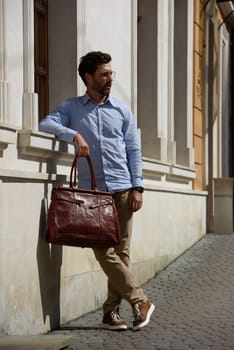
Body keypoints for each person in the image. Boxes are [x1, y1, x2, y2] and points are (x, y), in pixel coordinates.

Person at [39, 51, 155, 331]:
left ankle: (110, 314)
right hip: (92, 194)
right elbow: (46, 123)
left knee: (122, 252)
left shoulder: (121, 110)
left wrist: (138, 186)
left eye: (110, 73)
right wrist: (74, 135)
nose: (109, 79)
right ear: (88, 77)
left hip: (124, 189)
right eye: (104, 74)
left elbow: (133, 150)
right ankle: (140, 300)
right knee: (104, 249)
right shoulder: (72, 108)